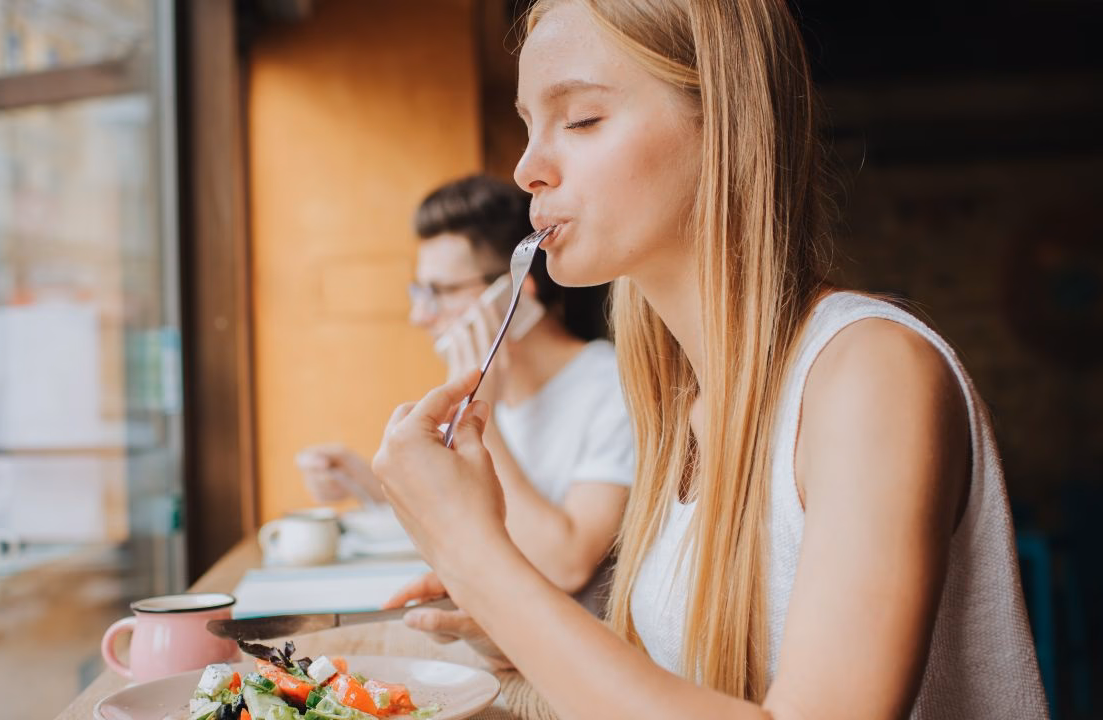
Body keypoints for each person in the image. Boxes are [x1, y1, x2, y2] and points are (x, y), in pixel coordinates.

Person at [371, 1, 1049, 718]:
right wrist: (516, 628)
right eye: (528, 125)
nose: (527, 169)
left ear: (723, 126)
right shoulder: (678, 402)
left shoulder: (871, 375)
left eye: (581, 120)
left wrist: (480, 563)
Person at [298, 174, 634, 615]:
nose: (420, 315)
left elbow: (565, 564)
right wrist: (369, 484)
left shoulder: (612, 388)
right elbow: (466, 514)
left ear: (514, 294)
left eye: (438, 292)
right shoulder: (499, 391)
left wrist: (481, 419)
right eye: (419, 292)